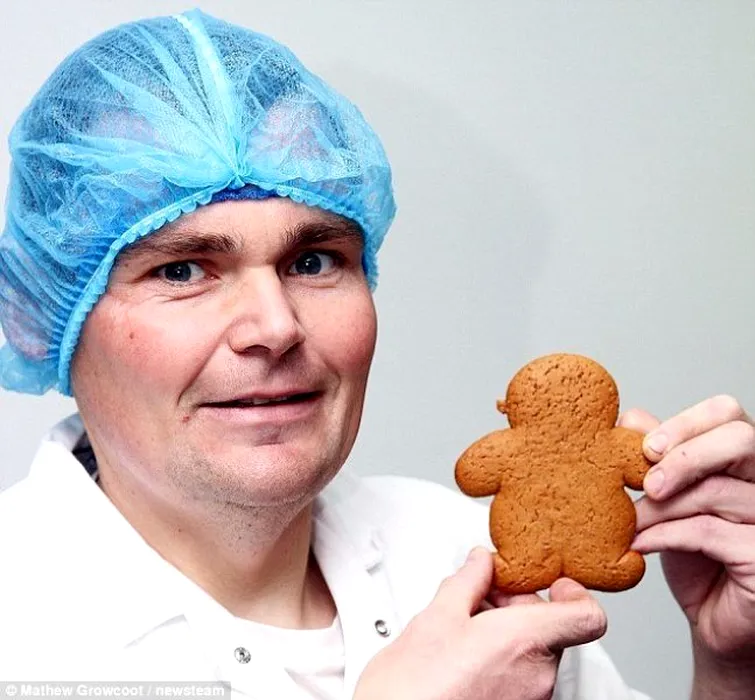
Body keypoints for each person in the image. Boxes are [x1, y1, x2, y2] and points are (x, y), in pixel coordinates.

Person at [0, 9, 753, 699]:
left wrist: (731, 666)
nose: (276, 326)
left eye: (313, 261)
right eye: (182, 271)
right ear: (38, 317)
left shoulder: (466, 555)